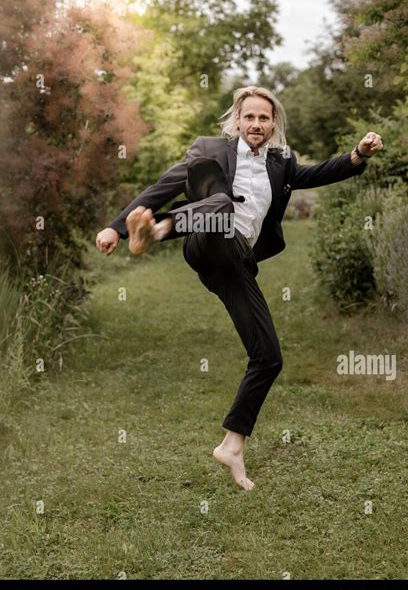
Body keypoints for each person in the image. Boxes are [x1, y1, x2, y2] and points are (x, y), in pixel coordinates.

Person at [96, 86, 383, 491]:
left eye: (264, 118)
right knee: (223, 204)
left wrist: (359, 155)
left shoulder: (282, 164)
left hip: (234, 263)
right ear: (237, 119)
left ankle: (232, 445)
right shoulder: (211, 150)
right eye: (249, 116)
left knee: (268, 357)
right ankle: (158, 229)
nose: (256, 124)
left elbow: (321, 173)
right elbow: (164, 186)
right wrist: (115, 226)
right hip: (203, 240)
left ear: (273, 124)